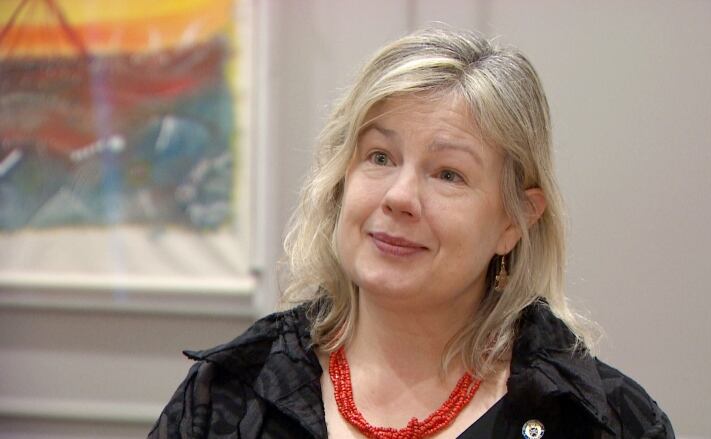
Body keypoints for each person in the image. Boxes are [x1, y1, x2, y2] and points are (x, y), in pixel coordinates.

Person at [149, 27, 674, 439]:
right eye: (380, 157)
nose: (399, 197)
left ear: (514, 220)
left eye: (448, 174)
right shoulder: (227, 394)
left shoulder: (603, 421)